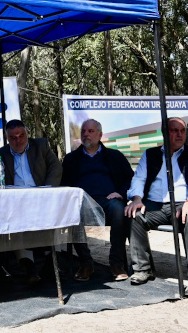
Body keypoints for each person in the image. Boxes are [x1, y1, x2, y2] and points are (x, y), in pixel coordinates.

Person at [124, 117, 188, 298]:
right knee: (134, 216)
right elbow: (138, 178)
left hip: (185, 203)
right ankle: (142, 268)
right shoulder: (150, 154)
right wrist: (137, 198)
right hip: (155, 204)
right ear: (164, 133)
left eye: (182, 131)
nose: (179, 134)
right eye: (174, 130)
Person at [0, 119, 63, 283]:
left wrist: (47, 190)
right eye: (13, 137)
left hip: (41, 196)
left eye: (21, 135)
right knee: (15, 223)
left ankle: (50, 262)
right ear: (7, 138)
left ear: (27, 133)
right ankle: (29, 265)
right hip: (15, 201)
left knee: (54, 218)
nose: (18, 140)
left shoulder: (41, 146)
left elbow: (55, 167)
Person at [62, 119, 134, 281]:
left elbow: (130, 180)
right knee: (72, 212)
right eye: (83, 131)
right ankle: (86, 263)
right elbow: (64, 185)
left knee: (118, 208)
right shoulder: (71, 159)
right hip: (82, 202)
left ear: (100, 135)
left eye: (91, 131)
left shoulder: (115, 156)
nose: (86, 134)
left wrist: (120, 193)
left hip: (108, 201)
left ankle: (116, 263)